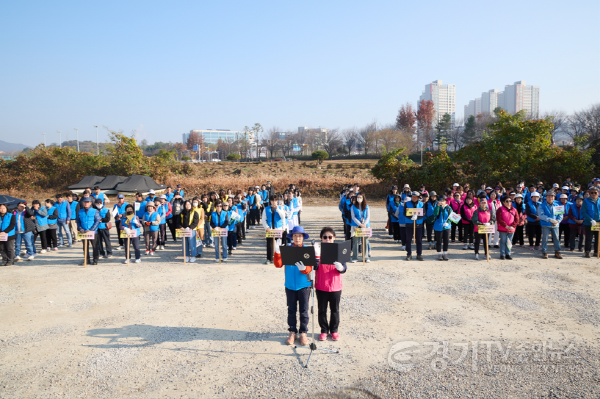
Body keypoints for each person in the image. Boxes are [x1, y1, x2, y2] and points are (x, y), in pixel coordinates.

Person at [273, 225, 314, 346]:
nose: (297, 238)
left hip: (304, 285)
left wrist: (304, 269)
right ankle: (292, 331)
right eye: (295, 236)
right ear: (292, 237)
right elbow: (278, 264)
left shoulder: (307, 249)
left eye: (300, 236)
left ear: (303, 237)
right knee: (291, 310)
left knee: (304, 310)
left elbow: (310, 268)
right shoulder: (287, 250)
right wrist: (277, 253)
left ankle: (303, 332)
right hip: (290, 285)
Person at [314, 227, 346, 341]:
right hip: (321, 285)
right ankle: (323, 330)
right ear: (321, 239)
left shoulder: (339, 250)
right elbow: (315, 267)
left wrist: (341, 267)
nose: (327, 239)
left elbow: (344, 268)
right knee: (322, 309)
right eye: (325, 237)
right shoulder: (318, 250)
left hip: (335, 286)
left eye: (330, 237)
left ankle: (334, 331)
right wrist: (316, 256)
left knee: (335, 310)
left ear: (334, 238)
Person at [76, 197, 101, 265]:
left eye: (87, 202)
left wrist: (91, 230)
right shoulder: (80, 211)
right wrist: (80, 228)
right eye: (85, 202)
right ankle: (86, 260)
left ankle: (95, 260)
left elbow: (97, 221)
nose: (86, 203)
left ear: (90, 203)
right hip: (83, 232)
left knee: (95, 246)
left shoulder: (95, 211)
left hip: (93, 232)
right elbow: (78, 221)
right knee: (85, 247)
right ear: (83, 203)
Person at [538, 191, 563, 259]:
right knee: (545, 239)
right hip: (546, 224)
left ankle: (557, 252)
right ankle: (544, 252)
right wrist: (550, 220)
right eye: (548, 196)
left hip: (555, 225)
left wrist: (557, 221)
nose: (550, 198)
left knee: (557, 239)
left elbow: (560, 215)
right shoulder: (541, 205)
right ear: (546, 197)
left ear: (554, 197)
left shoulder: (558, 205)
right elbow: (541, 215)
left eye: (552, 196)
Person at [262, 195, 286, 264]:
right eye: (272, 201)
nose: (274, 202)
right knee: (269, 245)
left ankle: (279, 258)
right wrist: (267, 227)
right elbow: (263, 220)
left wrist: (278, 208)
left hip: (278, 228)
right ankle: (269, 258)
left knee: (278, 244)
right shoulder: (266, 209)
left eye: (275, 201)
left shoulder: (280, 208)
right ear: (270, 201)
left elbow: (283, 217)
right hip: (270, 229)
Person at [350, 193, 371, 263]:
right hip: (356, 225)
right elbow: (353, 217)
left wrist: (364, 224)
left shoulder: (366, 206)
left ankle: (366, 257)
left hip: (365, 225)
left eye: (360, 197)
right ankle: (355, 257)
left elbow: (368, 216)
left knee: (365, 241)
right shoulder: (353, 206)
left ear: (363, 198)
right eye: (358, 197)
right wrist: (360, 224)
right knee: (355, 241)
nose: (359, 198)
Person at [404, 191, 424, 261]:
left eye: (415, 197)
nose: (414, 198)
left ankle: (419, 254)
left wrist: (417, 217)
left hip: (418, 224)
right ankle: (409, 254)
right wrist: (411, 217)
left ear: (418, 198)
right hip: (409, 224)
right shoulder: (407, 203)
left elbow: (423, 213)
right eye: (413, 197)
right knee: (408, 240)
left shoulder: (422, 204)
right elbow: (404, 213)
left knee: (419, 240)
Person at [581, 187, 600, 258]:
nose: (593, 194)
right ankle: (587, 252)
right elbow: (583, 212)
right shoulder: (586, 201)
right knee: (588, 238)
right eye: (592, 192)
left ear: (598, 193)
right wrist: (590, 219)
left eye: (595, 192)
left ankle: (596, 251)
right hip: (589, 223)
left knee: (598, 238)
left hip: (598, 223)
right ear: (590, 193)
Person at [433, 195, 452, 261]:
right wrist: (438, 206)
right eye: (441, 200)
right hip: (438, 226)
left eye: (443, 200)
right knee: (439, 240)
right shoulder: (437, 207)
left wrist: (448, 222)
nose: (442, 202)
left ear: (446, 201)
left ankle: (445, 253)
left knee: (446, 240)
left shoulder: (449, 208)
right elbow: (435, 213)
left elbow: (451, 217)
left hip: (447, 227)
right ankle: (439, 254)